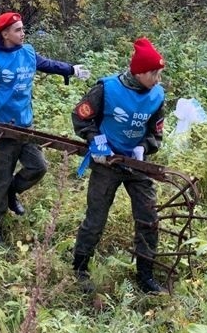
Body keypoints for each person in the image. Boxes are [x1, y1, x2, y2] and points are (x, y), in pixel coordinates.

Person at [0, 11, 90, 243]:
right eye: (17, 30)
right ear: (5, 34)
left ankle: (12, 192)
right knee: (1, 177)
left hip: (25, 125)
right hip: (0, 127)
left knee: (38, 166)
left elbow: (47, 64)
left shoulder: (27, 52)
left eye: (22, 28)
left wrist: (71, 69)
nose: (22, 33)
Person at [70, 37, 168, 294]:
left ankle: (145, 275)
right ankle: (80, 268)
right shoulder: (107, 89)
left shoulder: (157, 95)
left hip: (137, 164)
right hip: (106, 163)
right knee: (96, 217)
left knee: (148, 217)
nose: (158, 79)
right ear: (139, 72)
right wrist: (97, 142)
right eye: (154, 73)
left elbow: (155, 132)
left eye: (159, 73)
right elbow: (81, 117)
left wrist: (144, 147)